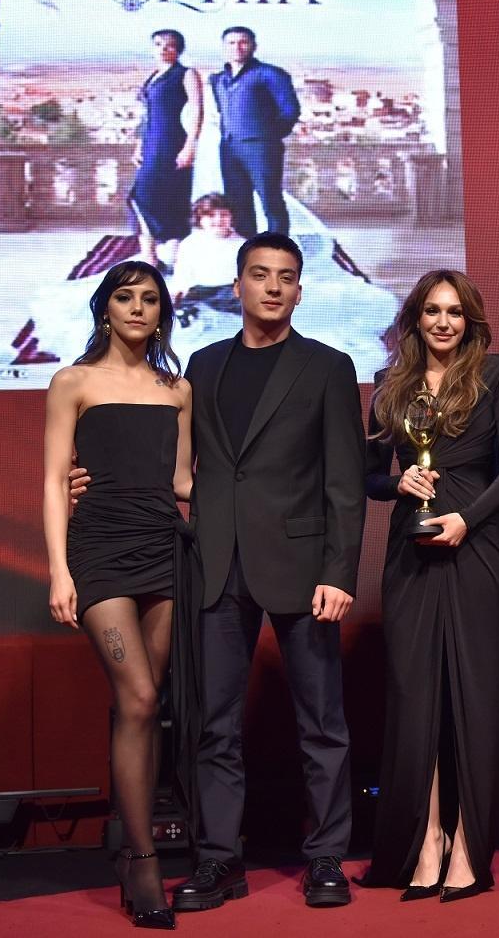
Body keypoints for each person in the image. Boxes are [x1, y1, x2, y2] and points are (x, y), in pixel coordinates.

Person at [71, 232, 366, 911]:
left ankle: (326, 857)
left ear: (300, 290)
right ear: (236, 286)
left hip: (303, 567)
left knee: (322, 722)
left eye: (285, 277)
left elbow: (346, 482)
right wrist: (85, 478)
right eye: (259, 275)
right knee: (214, 726)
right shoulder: (200, 367)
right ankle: (218, 859)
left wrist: (340, 571)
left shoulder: (328, 366)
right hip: (213, 563)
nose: (272, 286)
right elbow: (166, 458)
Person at [359, 270, 499, 903]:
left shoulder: (496, 375)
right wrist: (398, 482)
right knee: (415, 699)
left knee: (475, 699)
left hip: (478, 546)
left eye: (455, 312)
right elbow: (368, 476)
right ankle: (426, 839)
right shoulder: (390, 384)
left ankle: (468, 847)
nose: (443, 322)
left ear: (470, 320)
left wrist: (468, 520)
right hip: (410, 551)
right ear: (415, 318)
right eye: (432, 311)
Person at [43, 261, 193, 929]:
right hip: (99, 553)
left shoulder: (177, 389)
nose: (137, 307)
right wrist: (59, 571)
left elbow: (183, 481)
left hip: (163, 548)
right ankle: (144, 857)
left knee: (147, 704)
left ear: (162, 312)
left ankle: (130, 846)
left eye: (150, 299)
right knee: (136, 697)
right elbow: (55, 480)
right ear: (105, 307)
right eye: (125, 297)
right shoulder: (71, 382)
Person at [210, 26, 300, 237]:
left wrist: (268, 136)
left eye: (243, 42)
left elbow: (290, 110)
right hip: (229, 147)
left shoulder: (270, 74)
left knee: (270, 200)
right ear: (224, 47)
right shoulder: (219, 79)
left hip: (261, 148)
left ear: (253, 46)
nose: (237, 47)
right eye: (231, 43)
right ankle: (246, 246)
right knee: (237, 202)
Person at [129, 29, 203, 268]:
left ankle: (175, 254)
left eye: (169, 45)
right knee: (140, 198)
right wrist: (139, 144)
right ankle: (149, 256)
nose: (163, 49)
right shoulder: (153, 76)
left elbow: (197, 110)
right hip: (150, 142)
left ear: (178, 49)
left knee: (167, 197)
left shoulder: (186, 74)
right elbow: (147, 116)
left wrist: (190, 145)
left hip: (171, 142)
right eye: (158, 44)